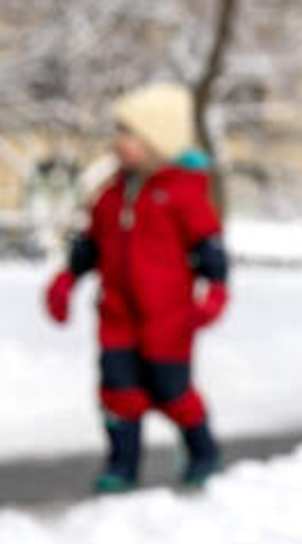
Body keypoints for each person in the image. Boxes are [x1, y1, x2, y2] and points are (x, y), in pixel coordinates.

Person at [44, 82, 230, 492]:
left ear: (156, 140)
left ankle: (203, 452)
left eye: (128, 133)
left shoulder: (184, 193)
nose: (117, 141)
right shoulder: (110, 195)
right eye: (117, 131)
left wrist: (216, 290)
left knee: (172, 392)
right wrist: (67, 279)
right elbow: (90, 245)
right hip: (117, 316)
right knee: (117, 392)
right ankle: (122, 466)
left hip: (168, 318)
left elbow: (209, 248)